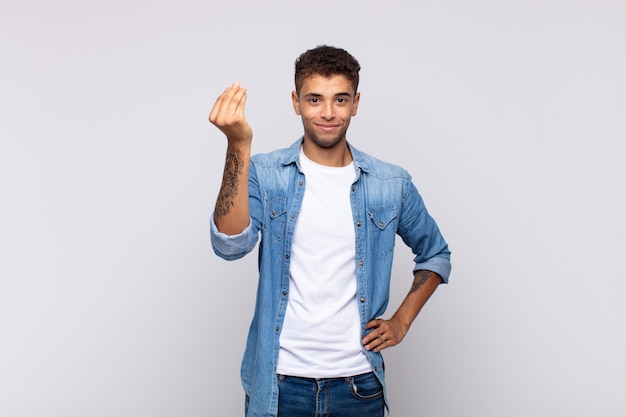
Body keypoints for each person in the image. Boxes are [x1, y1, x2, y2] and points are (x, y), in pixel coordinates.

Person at [209, 45, 451, 417]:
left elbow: (435, 254)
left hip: (357, 387)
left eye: (340, 99)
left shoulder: (390, 183)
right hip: (279, 385)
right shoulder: (265, 173)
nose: (327, 113)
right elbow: (230, 245)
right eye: (314, 99)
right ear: (295, 102)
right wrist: (238, 144)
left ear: (356, 102)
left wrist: (401, 321)